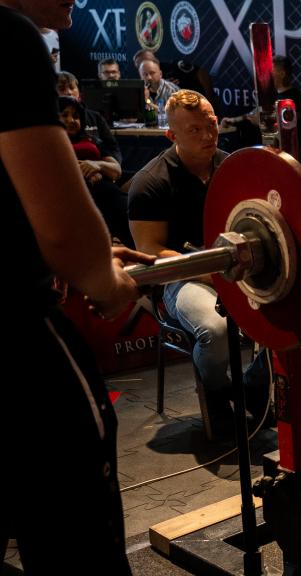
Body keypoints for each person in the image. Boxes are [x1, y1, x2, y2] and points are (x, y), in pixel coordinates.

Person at [0, 0, 155, 573]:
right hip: (13, 342)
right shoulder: (6, 39)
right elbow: (65, 230)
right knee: (77, 548)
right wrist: (103, 278)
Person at [127, 89, 238, 437]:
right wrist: (209, 272)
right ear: (171, 135)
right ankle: (218, 391)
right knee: (215, 331)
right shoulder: (150, 182)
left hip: (234, 268)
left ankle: (252, 387)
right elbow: (150, 251)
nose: (208, 135)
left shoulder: (232, 167)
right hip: (181, 279)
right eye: (195, 130)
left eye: (212, 125)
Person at [58, 95, 131, 247]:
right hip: (81, 195)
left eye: (76, 116)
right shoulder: (52, 144)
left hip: (108, 190)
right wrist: (85, 175)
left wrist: (97, 165)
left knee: (142, 180)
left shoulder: (91, 141)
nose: (71, 120)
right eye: (64, 115)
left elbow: (116, 170)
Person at [56, 70, 122, 164]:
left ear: (79, 92)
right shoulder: (51, 120)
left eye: (72, 88)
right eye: (62, 89)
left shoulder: (95, 116)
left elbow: (112, 147)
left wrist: (112, 165)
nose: (69, 92)